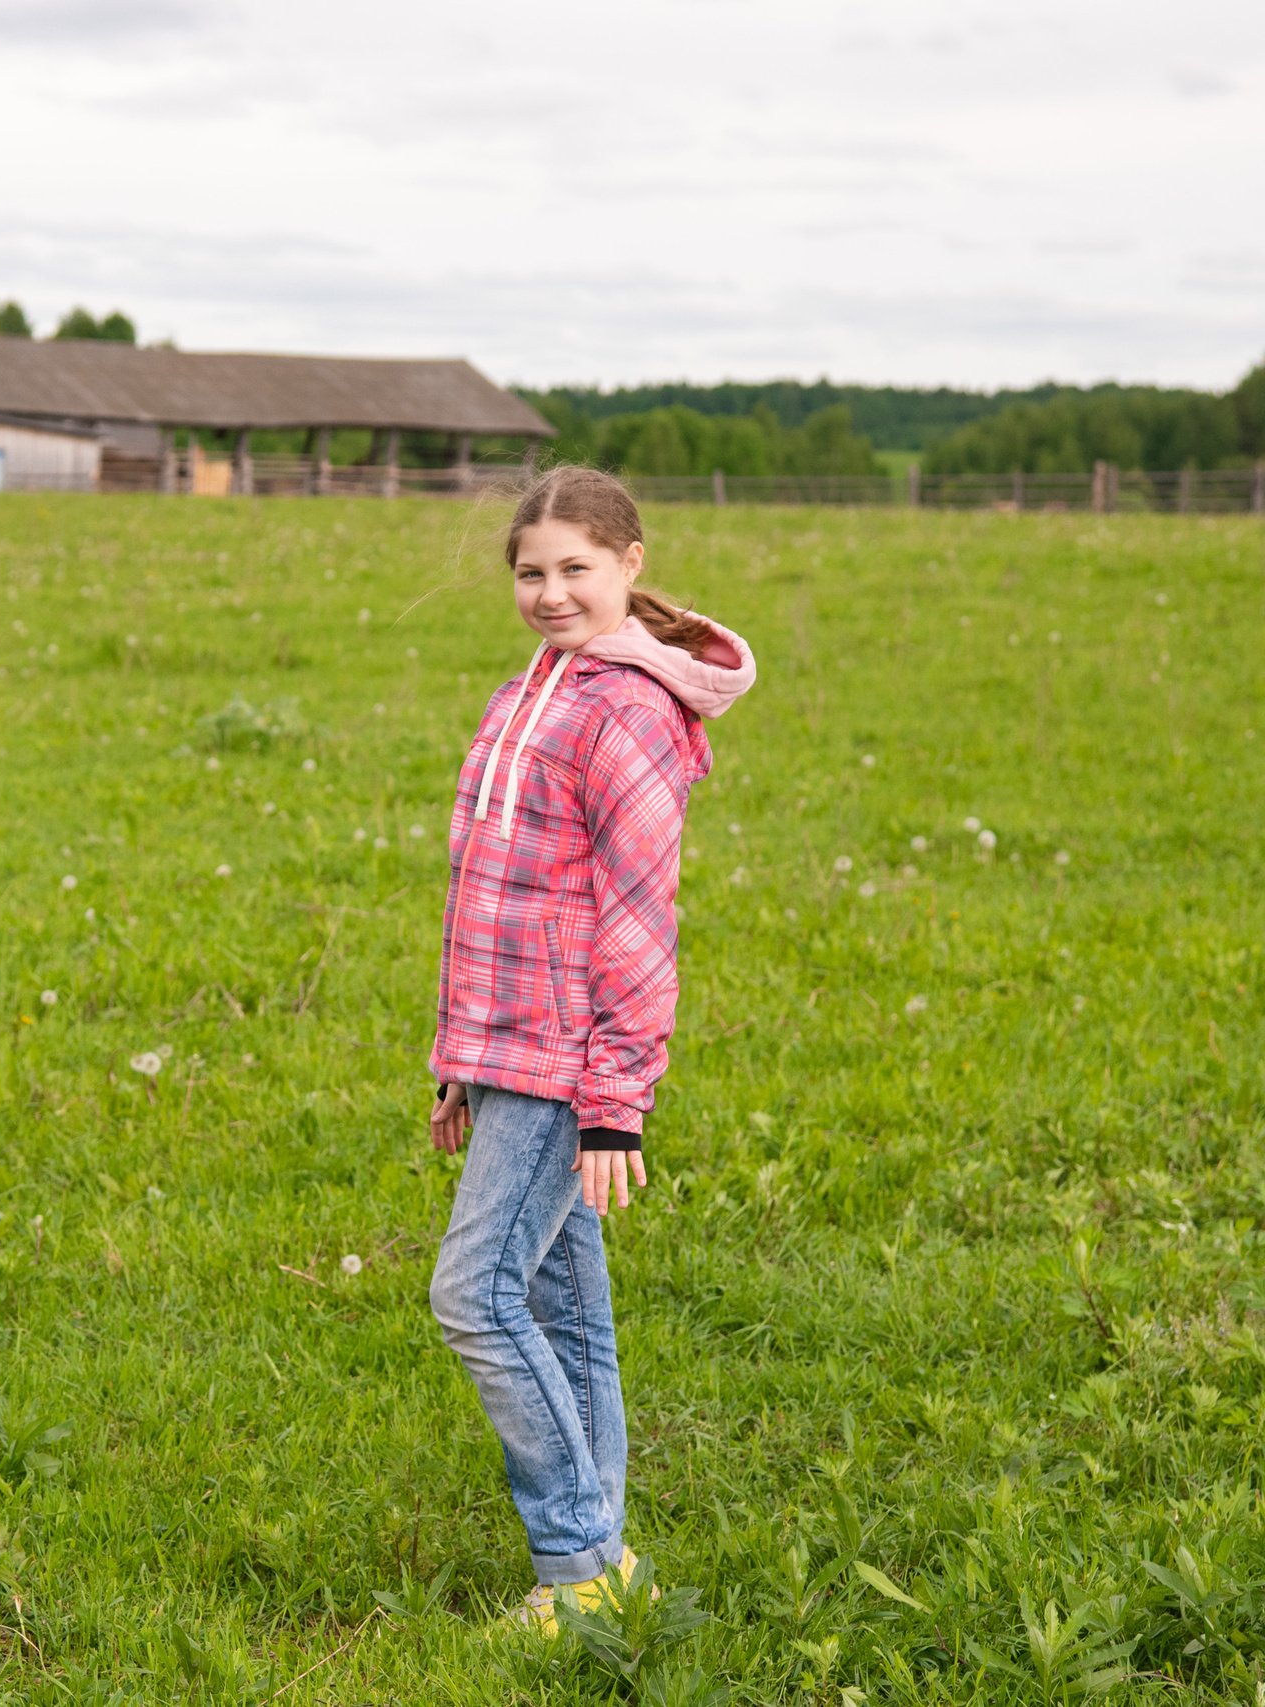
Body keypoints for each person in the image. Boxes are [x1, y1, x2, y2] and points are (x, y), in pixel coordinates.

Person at [425, 466, 756, 1635]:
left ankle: (582, 1563)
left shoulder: (621, 708)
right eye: (531, 571)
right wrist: (456, 1058)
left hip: (569, 1060)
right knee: (561, 1311)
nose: (551, 591)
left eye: (575, 568)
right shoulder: (532, 690)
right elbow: (489, 893)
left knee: (471, 1296)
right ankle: (601, 1562)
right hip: (507, 1045)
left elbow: (634, 916)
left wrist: (615, 1099)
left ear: (631, 563)